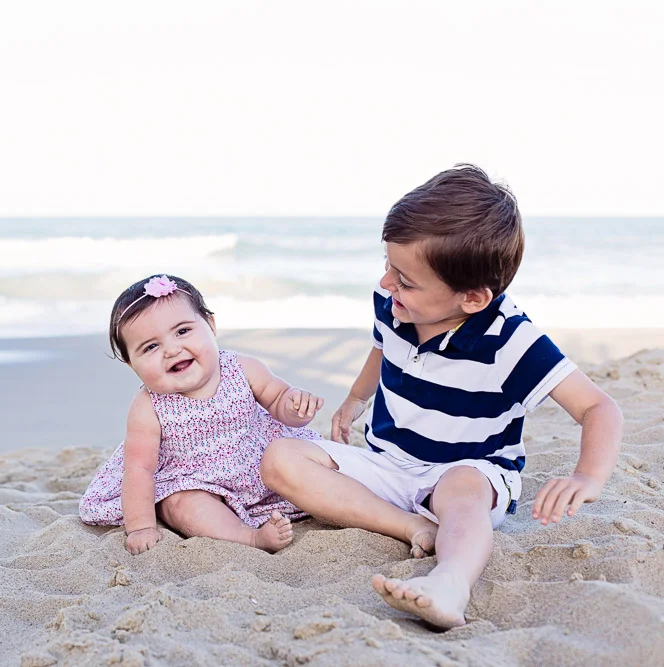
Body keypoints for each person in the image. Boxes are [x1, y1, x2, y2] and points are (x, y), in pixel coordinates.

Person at [260, 164, 624, 628]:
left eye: (405, 280)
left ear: (472, 298)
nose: (388, 283)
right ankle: (412, 526)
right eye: (388, 265)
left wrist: (587, 477)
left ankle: (450, 582)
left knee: (462, 492)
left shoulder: (510, 338)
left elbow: (598, 407)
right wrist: (355, 398)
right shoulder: (394, 305)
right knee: (280, 459)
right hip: (388, 463)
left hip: (467, 472)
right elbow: (382, 349)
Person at [79, 274, 326, 555]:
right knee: (180, 505)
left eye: (183, 331)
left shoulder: (242, 368)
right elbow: (139, 469)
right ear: (131, 364)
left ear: (211, 325)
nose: (172, 350)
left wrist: (295, 407)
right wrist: (141, 526)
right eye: (151, 347)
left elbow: (279, 400)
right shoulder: (148, 407)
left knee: (305, 469)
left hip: (261, 467)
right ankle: (250, 537)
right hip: (196, 481)